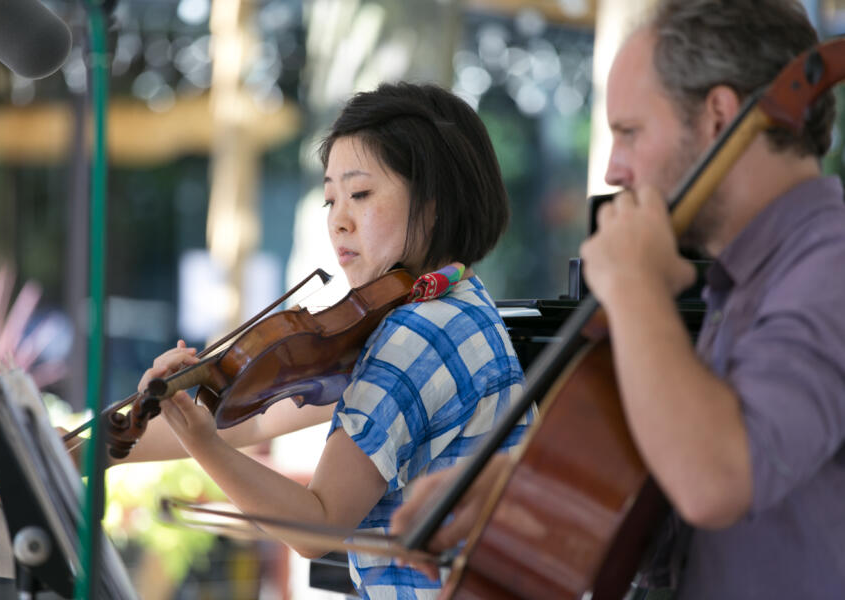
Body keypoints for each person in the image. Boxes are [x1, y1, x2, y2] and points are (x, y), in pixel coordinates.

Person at [392, 1, 845, 598]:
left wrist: (633, 287)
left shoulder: (830, 262)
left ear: (717, 118)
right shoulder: (744, 278)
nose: (613, 169)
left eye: (629, 132)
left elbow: (715, 480)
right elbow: (685, 508)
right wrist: (525, 492)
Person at [127, 81, 534, 599]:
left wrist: (199, 442)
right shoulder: (460, 305)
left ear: (435, 203)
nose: (338, 221)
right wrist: (90, 453)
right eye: (329, 199)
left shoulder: (416, 336)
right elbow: (254, 418)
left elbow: (315, 525)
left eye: (360, 194)